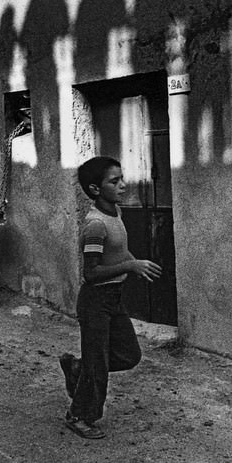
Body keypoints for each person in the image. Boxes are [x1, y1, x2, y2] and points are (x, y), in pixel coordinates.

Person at [58, 156, 161, 439]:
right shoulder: (95, 225)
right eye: (114, 182)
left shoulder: (116, 214)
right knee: (98, 367)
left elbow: (117, 253)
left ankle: (78, 367)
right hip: (95, 301)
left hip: (114, 298)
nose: (123, 186)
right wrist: (130, 266)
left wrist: (135, 262)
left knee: (129, 355)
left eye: (121, 179)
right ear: (94, 189)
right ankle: (78, 416)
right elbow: (91, 273)